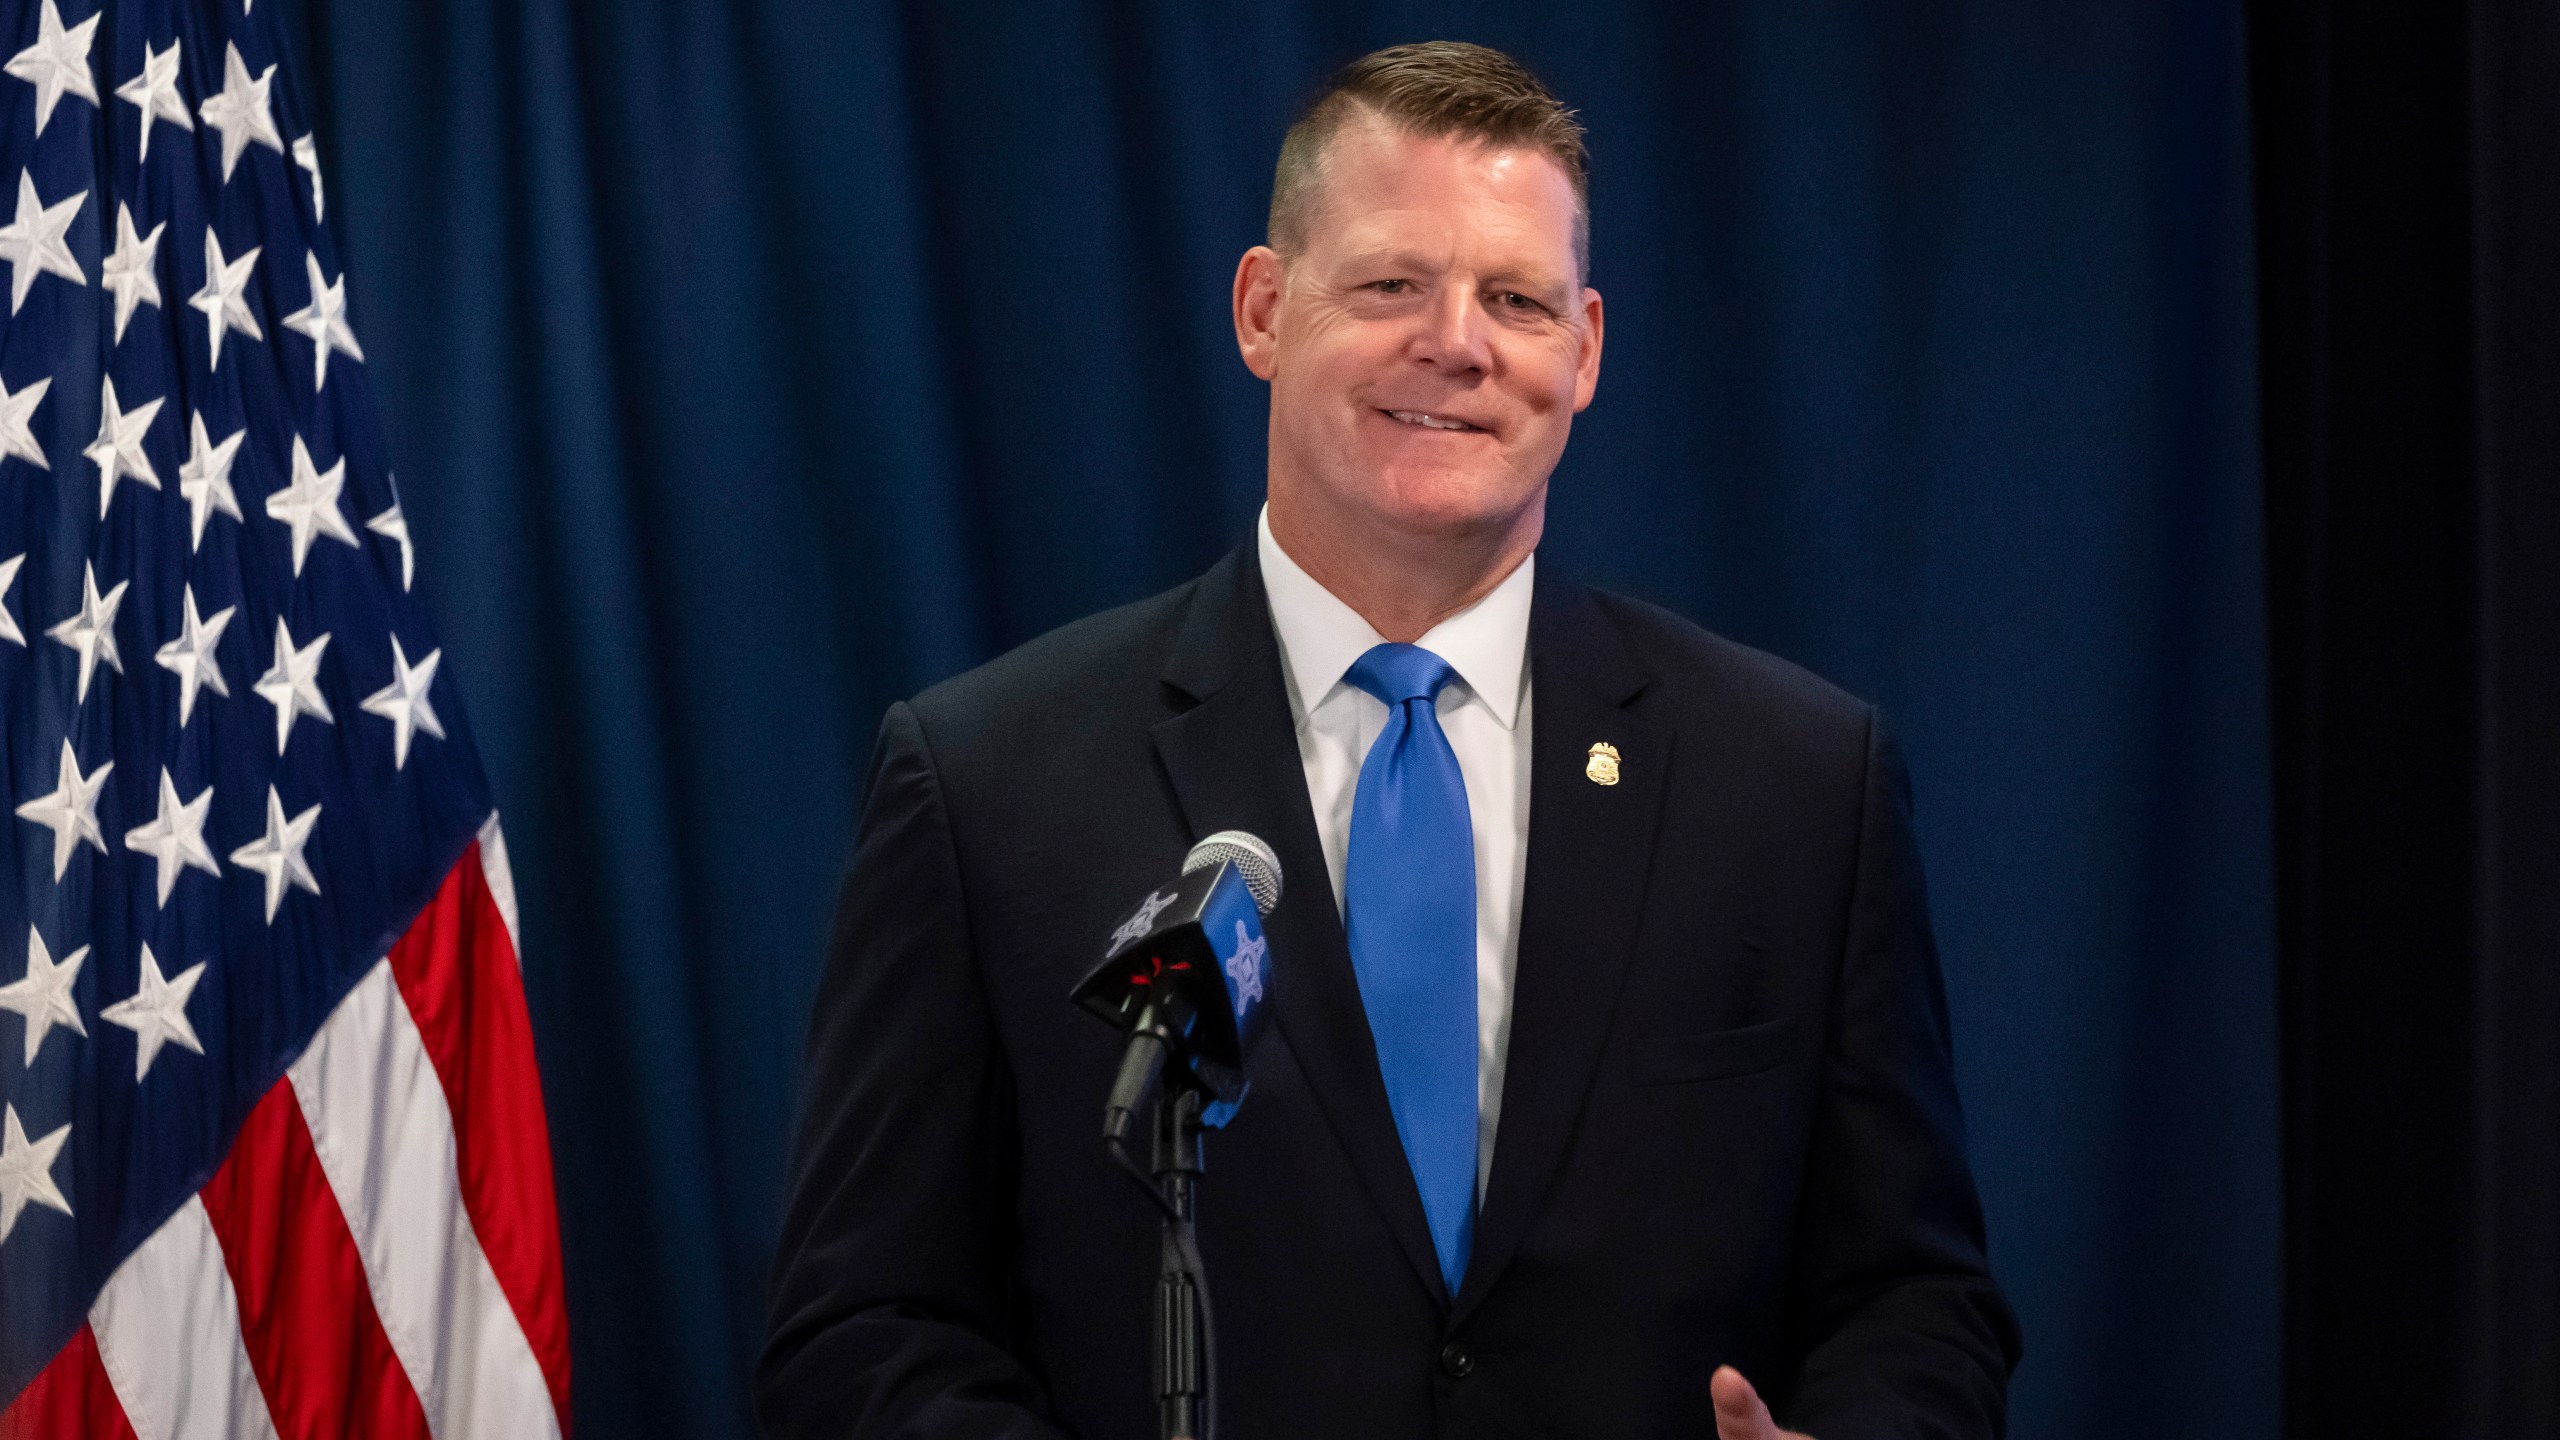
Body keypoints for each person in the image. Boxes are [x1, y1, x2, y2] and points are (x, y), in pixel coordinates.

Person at [759, 41, 2020, 1440]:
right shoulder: (991, 780)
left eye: (1518, 300)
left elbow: (1916, 1304)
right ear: (1263, 309)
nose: (1459, 342)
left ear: (1585, 351)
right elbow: (863, 1324)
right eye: (1391, 285)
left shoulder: (1797, 785)